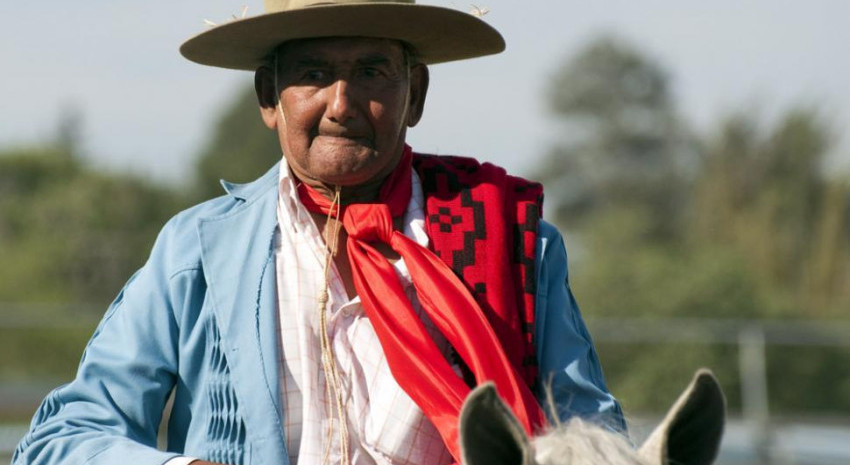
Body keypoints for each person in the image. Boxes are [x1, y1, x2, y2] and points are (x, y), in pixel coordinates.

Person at [14, 1, 625, 464]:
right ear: (268, 97)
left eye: (371, 71)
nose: (341, 102)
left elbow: (593, 437)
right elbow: (62, 439)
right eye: (312, 72)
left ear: (415, 96)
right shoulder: (199, 252)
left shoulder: (510, 245)